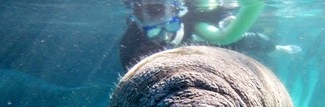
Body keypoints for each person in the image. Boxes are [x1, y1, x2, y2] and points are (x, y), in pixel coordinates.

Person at [119, 0, 300, 70]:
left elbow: (228, 37)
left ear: (178, 12)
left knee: (235, 42)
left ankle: (277, 49)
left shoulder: (194, 22)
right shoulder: (130, 43)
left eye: (170, 27)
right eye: (154, 31)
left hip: (199, 46)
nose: (164, 37)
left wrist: (248, 8)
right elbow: (131, 72)